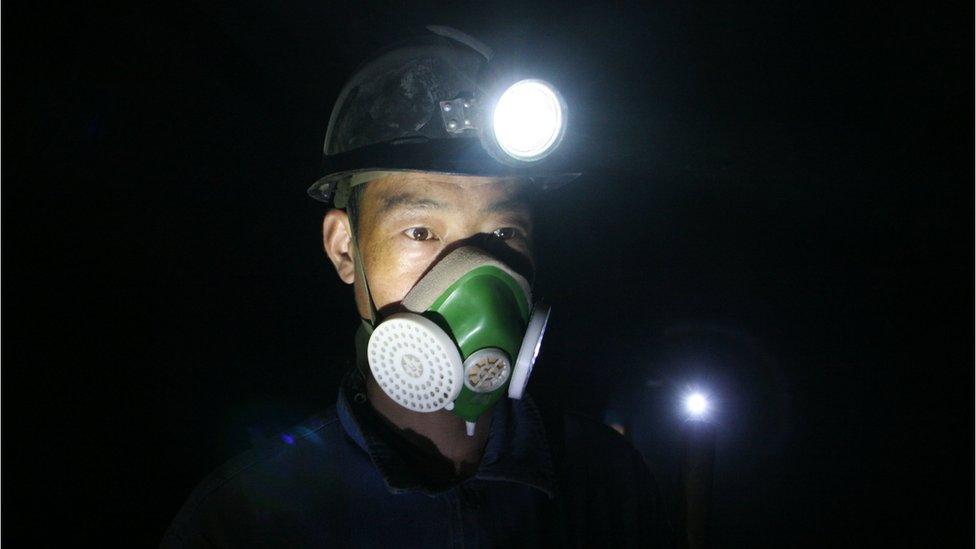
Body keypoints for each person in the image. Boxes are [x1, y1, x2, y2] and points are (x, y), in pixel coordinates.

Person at [162, 26, 669, 547]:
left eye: (503, 232)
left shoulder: (608, 487)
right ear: (344, 249)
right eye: (421, 231)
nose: (476, 271)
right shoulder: (247, 522)